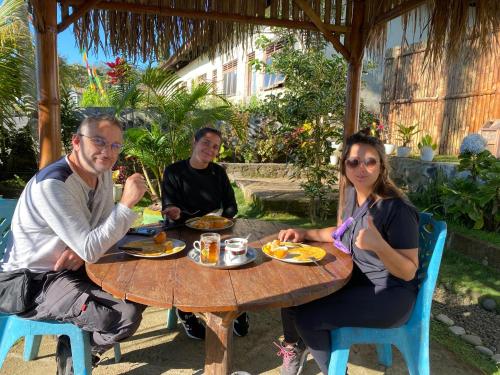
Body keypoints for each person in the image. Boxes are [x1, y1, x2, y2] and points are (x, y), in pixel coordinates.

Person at [0, 115, 148, 375]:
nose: (107, 151)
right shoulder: (54, 185)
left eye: (115, 145)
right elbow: (92, 245)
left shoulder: (100, 174)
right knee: (124, 314)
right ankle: (79, 351)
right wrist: (125, 206)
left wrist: (82, 248)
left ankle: (83, 344)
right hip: (34, 281)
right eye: (99, 141)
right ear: (76, 142)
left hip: (72, 267)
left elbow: (97, 232)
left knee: (143, 284)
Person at [275, 132, 419, 375]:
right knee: (292, 292)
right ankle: (295, 348)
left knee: (308, 318)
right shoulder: (354, 193)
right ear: (344, 166)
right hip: (359, 280)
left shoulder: (396, 209)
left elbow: (408, 271)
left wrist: (379, 246)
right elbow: (341, 231)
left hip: (390, 296)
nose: (361, 168)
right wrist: (304, 233)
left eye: (370, 161)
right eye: (353, 162)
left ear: (381, 165)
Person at [161, 127, 248, 340]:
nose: (210, 149)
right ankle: (186, 311)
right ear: (195, 141)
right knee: (184, 266)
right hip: (181, 230)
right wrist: (173, 211)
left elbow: (231, 207)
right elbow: (170, 206)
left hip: (216, 231)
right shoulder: (174, 171)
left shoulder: (218, 172)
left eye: (215, 146)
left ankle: (238, 309)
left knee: (236, 260)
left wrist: (217, 221)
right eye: (206, 143)